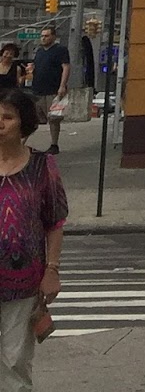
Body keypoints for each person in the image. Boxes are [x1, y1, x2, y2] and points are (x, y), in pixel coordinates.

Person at [0, 88, 67, 389]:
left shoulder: (42, 166)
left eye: (7, 117)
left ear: (23, 124)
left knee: (14, 362)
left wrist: (51, 270)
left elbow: (55, 221)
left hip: (22, 282)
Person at [26, 31, 69, 156]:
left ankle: (54, 144)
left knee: (53, 119)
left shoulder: (60, 50)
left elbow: (66, 67)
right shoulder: (39, 52)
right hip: (37, 89)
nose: (43, 38)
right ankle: (22, 144)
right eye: (42, 36)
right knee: (33, 117)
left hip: (53, 90)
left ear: (53, 37)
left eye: (46, 36)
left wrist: (62, 86)